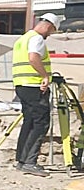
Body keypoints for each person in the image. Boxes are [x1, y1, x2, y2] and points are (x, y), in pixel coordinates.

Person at [12, 12, 64, 176]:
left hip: (22, 86)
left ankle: (22, 160)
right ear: (49, 25)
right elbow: (33, 58)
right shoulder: (37, 39)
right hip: (34, 87)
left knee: (29, 122)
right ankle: (30, 162)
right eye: (52, 31)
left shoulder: (23, 38)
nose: (50, 34)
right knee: (41, 123)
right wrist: (45, 76)